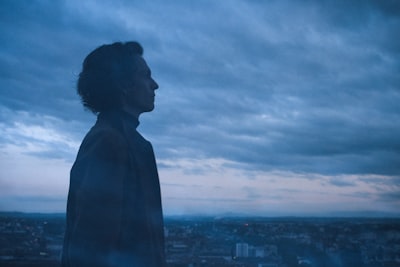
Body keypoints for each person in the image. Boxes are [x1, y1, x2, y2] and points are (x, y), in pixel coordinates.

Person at [62, 41, 166, 267]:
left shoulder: (125, 140)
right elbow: (93, 245)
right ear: (123, 85)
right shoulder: (110, 142)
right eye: (146, 76)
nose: (154, 85)